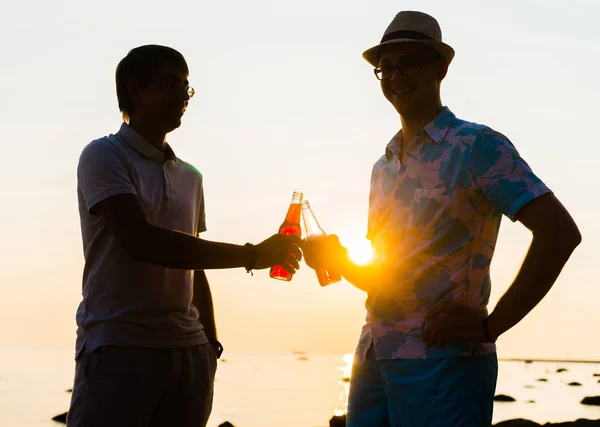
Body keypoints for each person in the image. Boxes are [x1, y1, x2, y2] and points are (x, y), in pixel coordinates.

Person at [304, 11, 581, 427]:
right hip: (373, 358)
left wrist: (491, 327)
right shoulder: (384, 164)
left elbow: (560, 233)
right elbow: (390, 277)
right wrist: (340, 261)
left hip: (445, 366)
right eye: (387, 67)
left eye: (409, 62)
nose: (396, 76)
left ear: (441, 67)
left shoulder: (476, 145)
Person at [67, 44, 303, 427]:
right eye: (168, 83)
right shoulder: (104, 155)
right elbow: (141, 241)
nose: (182, 96)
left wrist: (210, 345)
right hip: (120, 347)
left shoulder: (190, 175)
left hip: (188, 353)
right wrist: (251, 255)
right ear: (134, 89)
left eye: (186, 87)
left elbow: (193, 267)